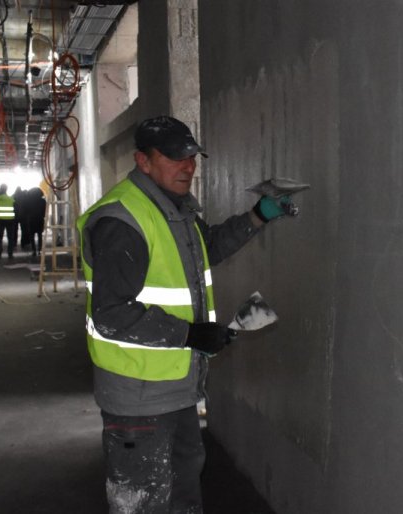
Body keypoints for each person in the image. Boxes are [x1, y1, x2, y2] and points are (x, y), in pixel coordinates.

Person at [77, 115, 292, 514]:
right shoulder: (122, 220)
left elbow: (207, 248)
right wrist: (191, 335)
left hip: (176, 387)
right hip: (138, 395)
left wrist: (257, 215)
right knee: (143, 503)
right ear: (143, 161)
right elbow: (112, 313)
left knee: (183, 494)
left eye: (192, 157)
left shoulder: (175, 211)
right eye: (175, 157)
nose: (188, 166)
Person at [0, 183, 16, 260]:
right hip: (10, 220)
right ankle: (10, 253)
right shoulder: (11, 199)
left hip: (0, 220)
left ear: (0, 189)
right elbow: (15, 209)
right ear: (7, 189)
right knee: (10, 238)